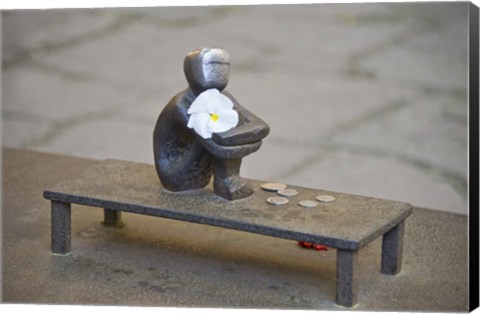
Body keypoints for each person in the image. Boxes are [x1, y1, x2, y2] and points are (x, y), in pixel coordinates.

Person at [153, 47, 269, 200]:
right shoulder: (181, 103)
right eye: (212, 65)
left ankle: (228, 181)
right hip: (177, 173)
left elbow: (260, 126)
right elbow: (216, 145)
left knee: (223, 126)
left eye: (224, 66)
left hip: (201, 168)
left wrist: (234, 138)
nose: (219, 72)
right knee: (213, 128)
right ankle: (226, 182)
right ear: (192, 71)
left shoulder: (222, 97)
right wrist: (249, 140)